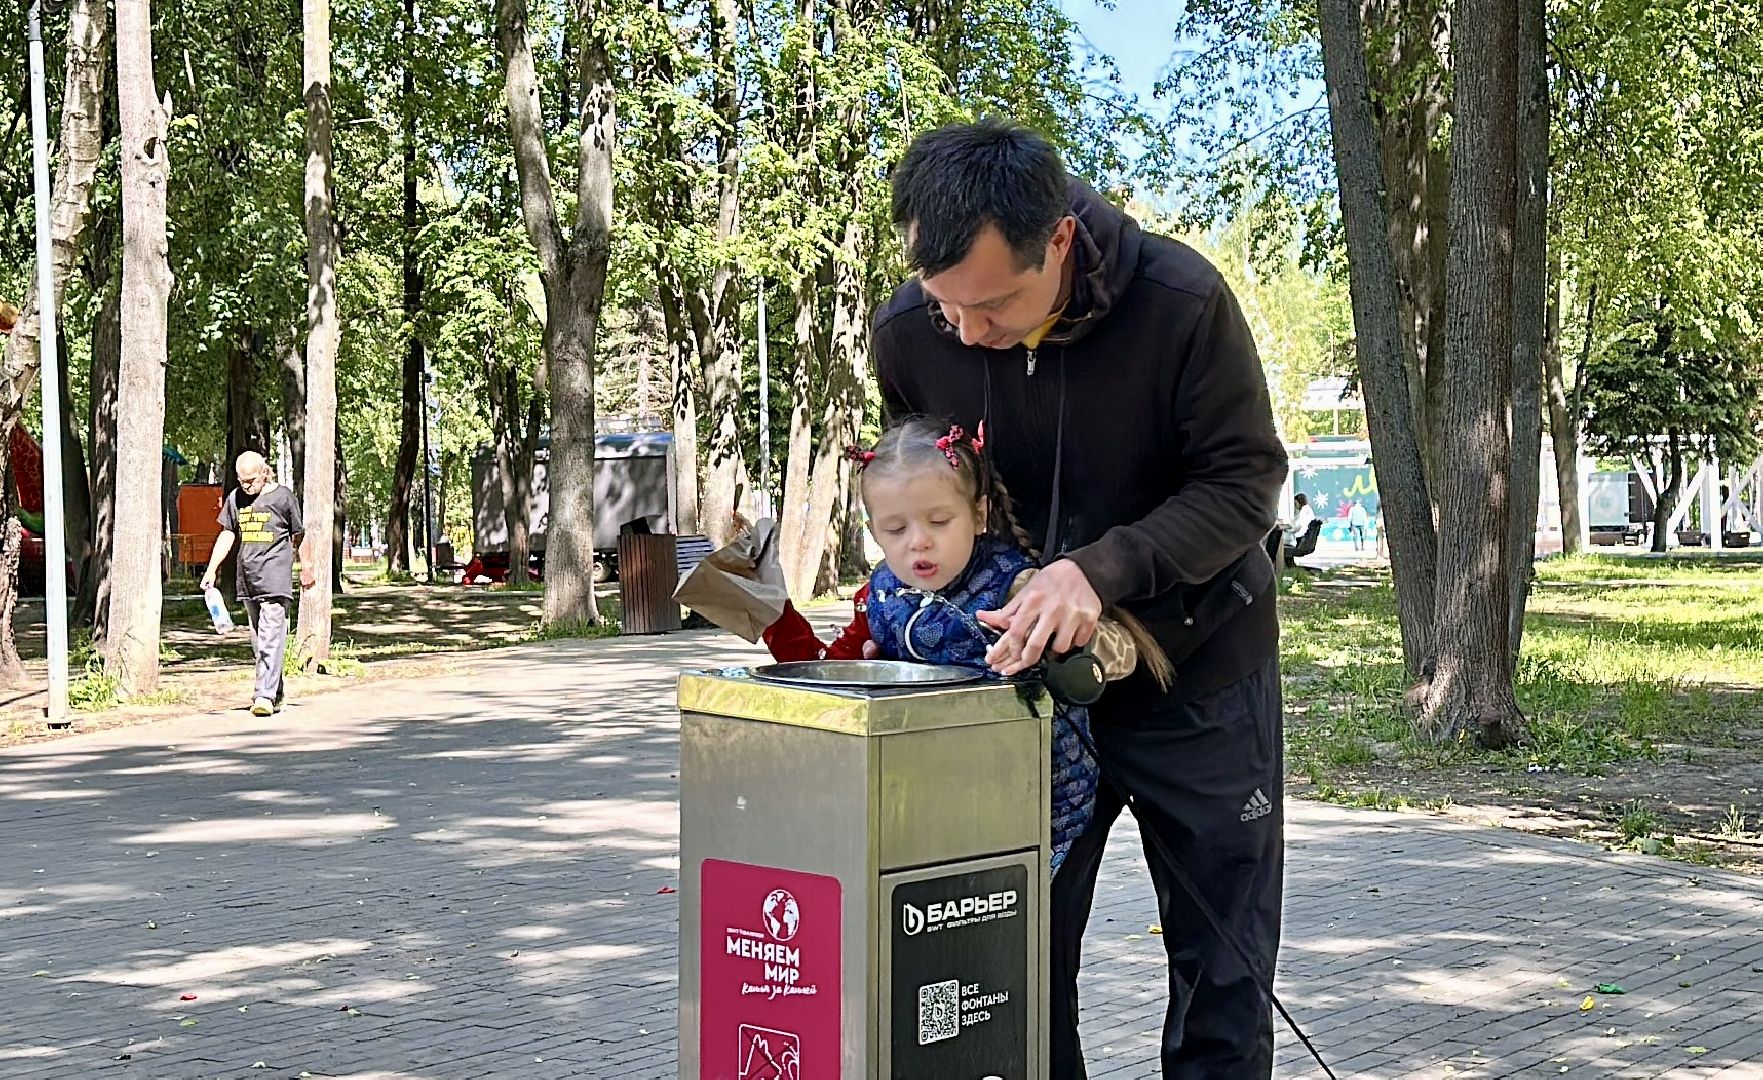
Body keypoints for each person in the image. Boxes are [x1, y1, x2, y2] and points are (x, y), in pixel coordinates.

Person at [874, 120, 1287, 1077]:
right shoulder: (908, 333)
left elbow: (1242, 484)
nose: (968, 335)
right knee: (1005, 964)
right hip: (1019, 695)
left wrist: (1094, 573)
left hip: (1198, 674)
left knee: (1221, 968)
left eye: (993, 307)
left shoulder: (1180, 304)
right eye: (948, 310)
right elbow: (932, 496)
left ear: (1057, 239)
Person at [760, 417, 1171, 872]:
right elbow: (828, 673)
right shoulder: (880, 594)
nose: (919, 542)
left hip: (1036, 802)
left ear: (978, 515)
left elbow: (1123, 652)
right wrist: (773, 617)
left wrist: (1063, 646)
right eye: (895, 529)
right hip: (931, 801)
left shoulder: (1016, 586)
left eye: (939, 521)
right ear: (873, 531)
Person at [200, 452, 314, 716]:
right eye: (241, 481)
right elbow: (227, 534)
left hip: (275, 578)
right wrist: (211, 569)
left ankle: (263, 695)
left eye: (251, 480)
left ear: (264, 472)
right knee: (258, 642)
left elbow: (299, 535)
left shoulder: (283, 497)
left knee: (270, 639)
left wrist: (306, 567)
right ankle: (277, 692)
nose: (246, 486)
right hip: (247, 579)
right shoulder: (236, 498)